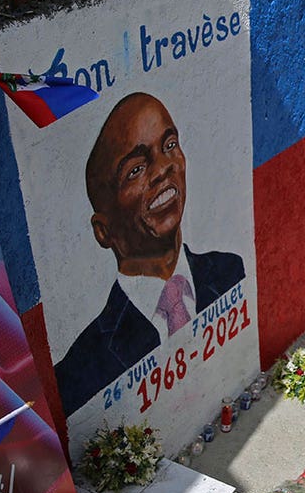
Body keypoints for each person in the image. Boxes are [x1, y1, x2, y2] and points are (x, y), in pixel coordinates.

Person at [54, 92, 245, 416]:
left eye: (169, 145)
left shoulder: (230, 272)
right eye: (136, 169)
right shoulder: (81, 368)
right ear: (104, 231)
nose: (162, 169)